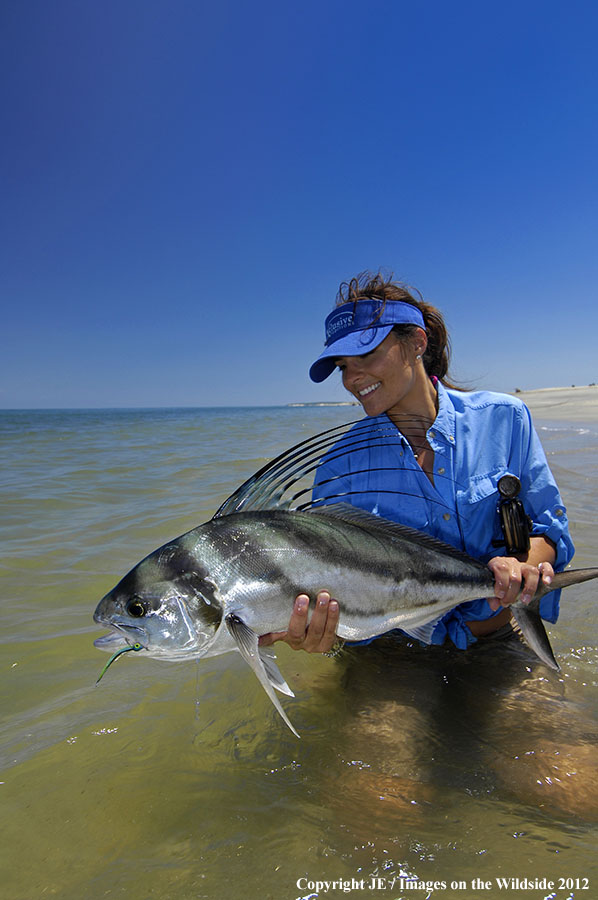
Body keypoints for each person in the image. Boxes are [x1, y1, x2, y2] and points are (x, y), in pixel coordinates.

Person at [259, 272, 574, 655]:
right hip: (388, 659)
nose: (353, 378)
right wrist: (318, 635)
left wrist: (522, 568)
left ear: (417, 343)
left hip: (496, 638)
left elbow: (549, 530)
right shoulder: (337, 468)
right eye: (342, 366)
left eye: (367, 354)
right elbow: (332, 591)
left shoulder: (505, 419)